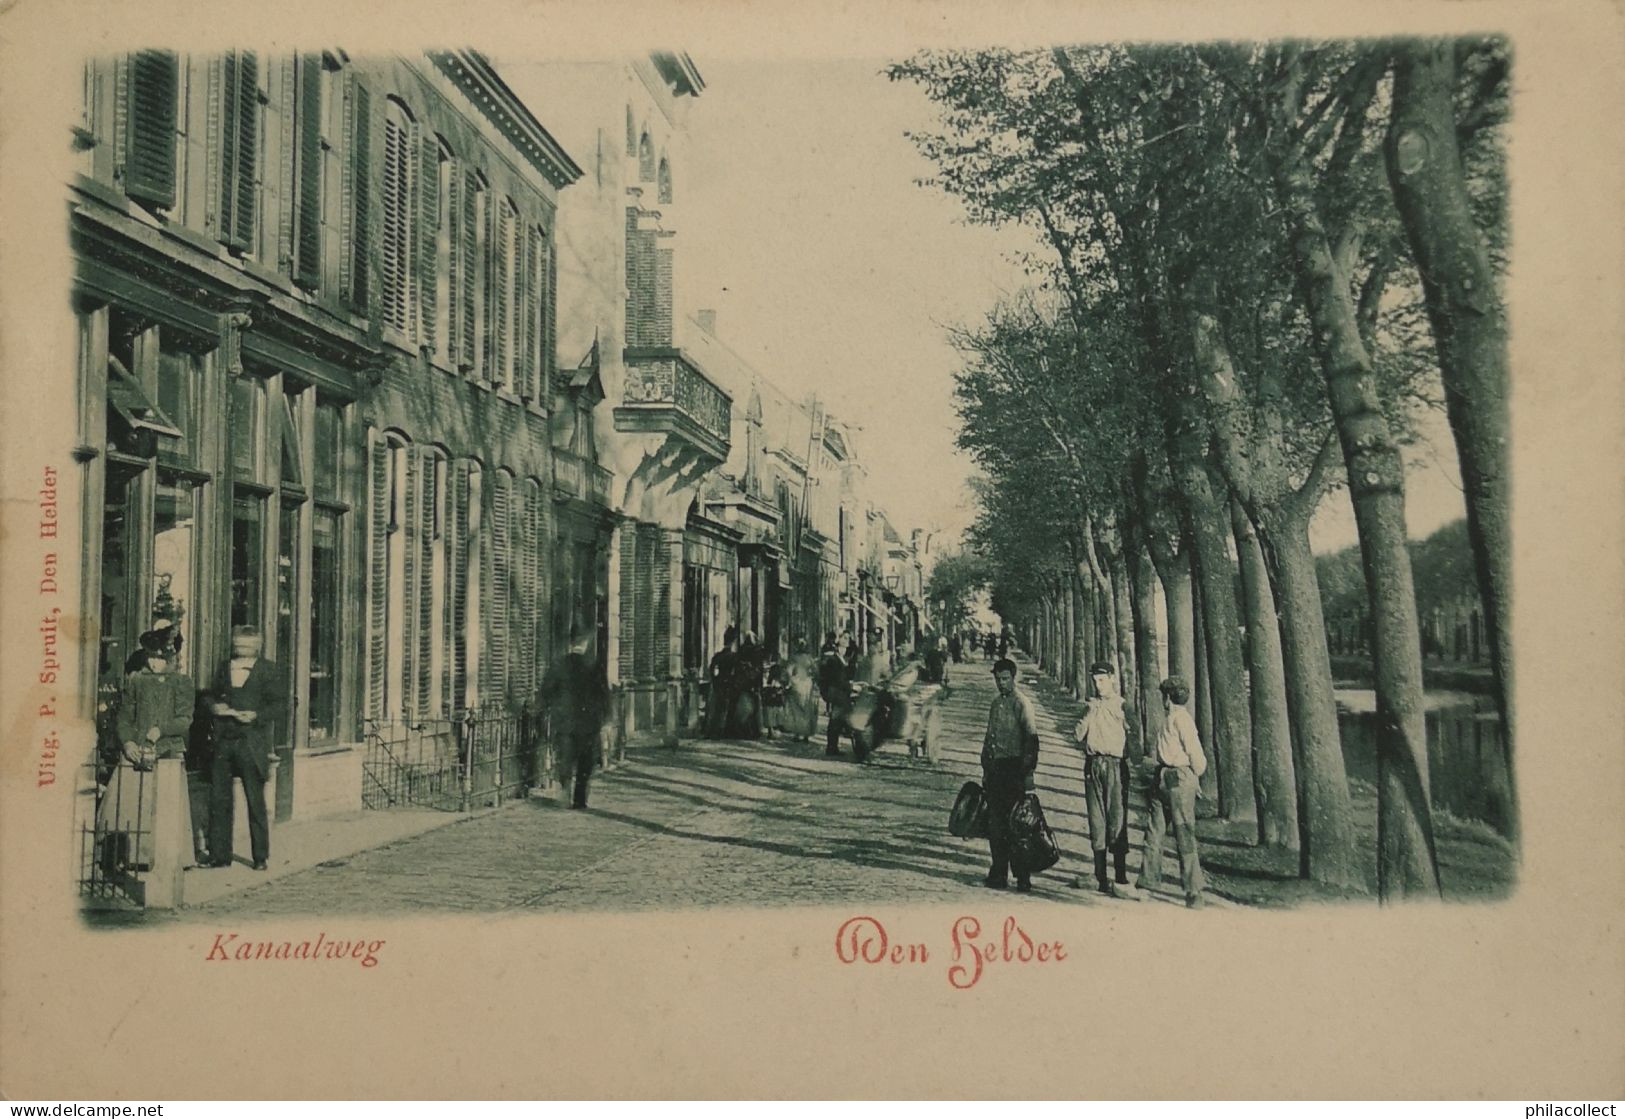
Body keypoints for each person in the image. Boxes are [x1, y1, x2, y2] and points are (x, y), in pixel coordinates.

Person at [100, 627, 197, 894]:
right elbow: (124, 718)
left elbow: (184, 719)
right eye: (151, 659)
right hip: (136, 751)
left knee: (164, 804)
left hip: (166, 750)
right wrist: (128, 742)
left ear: (172, 659)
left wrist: (161, 731)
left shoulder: (182, 683)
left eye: (161, 659)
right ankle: (129, 855)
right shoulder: (137, 682)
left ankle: (165, 857)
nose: (155, 664)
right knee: (130, 801)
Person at [206, 625, 286, 871]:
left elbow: (281, 705)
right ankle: (221, 855)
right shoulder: (223, 667)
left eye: (246, 646)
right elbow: (210, 695)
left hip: (251, 743)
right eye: (237, 646)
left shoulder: (268, 670)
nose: (240, 650)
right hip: (224, 742)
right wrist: (215, 707)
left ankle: (260, 856)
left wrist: (257, 715)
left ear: (256, 648)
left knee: (255, 801)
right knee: (220, 799)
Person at [1136, 676, 1208, 908]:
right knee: (1156, 829)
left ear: (1168, 698)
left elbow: (1197, 757)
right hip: (1165, 776)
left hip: (1176, 776)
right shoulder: (1175, 719)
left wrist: (1194, 775)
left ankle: (1193, 890)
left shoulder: (1181, 721)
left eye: (1164, 696)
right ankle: (1149, 882)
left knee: (1180, 832)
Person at [1072, 661, 1133, 897]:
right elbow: (1077, 735)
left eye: (1102, 681)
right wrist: (1088, 713)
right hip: (1093, 765)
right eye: (1095, 681)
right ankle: (1100, 875)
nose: (1098, 686)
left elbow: (1134, 734)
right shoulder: (1091, 706)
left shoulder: (1122, 706)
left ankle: (1120, 874)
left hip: (1116, 766)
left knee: (1117, 819)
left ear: (1112, 679)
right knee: (1096, 819)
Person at [982, 657, 1040, 891]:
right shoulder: (996, 704)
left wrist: (1027, 774)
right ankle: (999, 874)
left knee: (1018, 826)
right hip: (996, 771)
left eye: (1005, 679)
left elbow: (1031, 740)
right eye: (998, 679)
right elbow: (989, 738)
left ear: (1013, 678)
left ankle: (1023, 877)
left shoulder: (1022, 703)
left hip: (1014, 770)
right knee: (996, 826)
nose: (1001, 683)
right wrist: (985, 766)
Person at [540, 627, 612, 809]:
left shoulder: (558, 665)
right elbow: (604, 696)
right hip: (589, 724)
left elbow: (546, 692)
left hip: (565, 722)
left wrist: (548, 709)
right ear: (586, 644)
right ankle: (580, 800)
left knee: (565, 758)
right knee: (585, 763)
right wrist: (607, 719)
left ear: (570, 644)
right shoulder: (595, 667)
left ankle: (564, 790)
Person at [818, 633, 852, 757]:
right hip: (837, 692)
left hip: (838, 692)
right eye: (843, 647)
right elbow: (836, 679)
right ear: (838, 647)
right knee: (835, 720)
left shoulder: (839, 659)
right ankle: (831, 747)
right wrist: (849, 686)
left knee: (836, 720)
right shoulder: (834, 660)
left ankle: (832, 746)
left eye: (846, 648)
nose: (844, 650)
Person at [781, 638, 819, 742]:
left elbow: (789, 670)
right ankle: (806, 734)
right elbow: (815, 670)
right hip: (807, 683)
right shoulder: (809, 658)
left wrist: (789, 681)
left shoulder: (794, 658)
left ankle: (797, 733)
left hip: (797, 683)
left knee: (796, 709)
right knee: (807, 709)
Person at [706, 627, 740, 738]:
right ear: (733, 642)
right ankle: (724, 731)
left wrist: (715, 680)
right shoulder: (734, 657)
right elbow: (736, 672)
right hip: (729, 684)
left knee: (717, 707)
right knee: (727, 707)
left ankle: (713, 730)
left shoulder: (717, 656)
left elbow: (711, 669)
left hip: (719, 683)